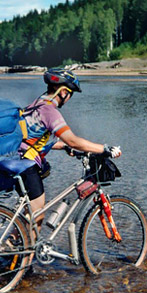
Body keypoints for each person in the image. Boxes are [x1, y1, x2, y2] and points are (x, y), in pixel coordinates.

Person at [18, 68, 122, 229]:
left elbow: (35, 139)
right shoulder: (49, 111)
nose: (69, 98)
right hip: (27, 167)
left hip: (18, 162)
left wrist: (64, 147)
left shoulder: (36, 104)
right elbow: (73, 140)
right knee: (36, 219)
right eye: (70, 94)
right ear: (64, 92)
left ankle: (10, 247)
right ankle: (25, 254)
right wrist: (104, 148)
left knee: (29, 215)